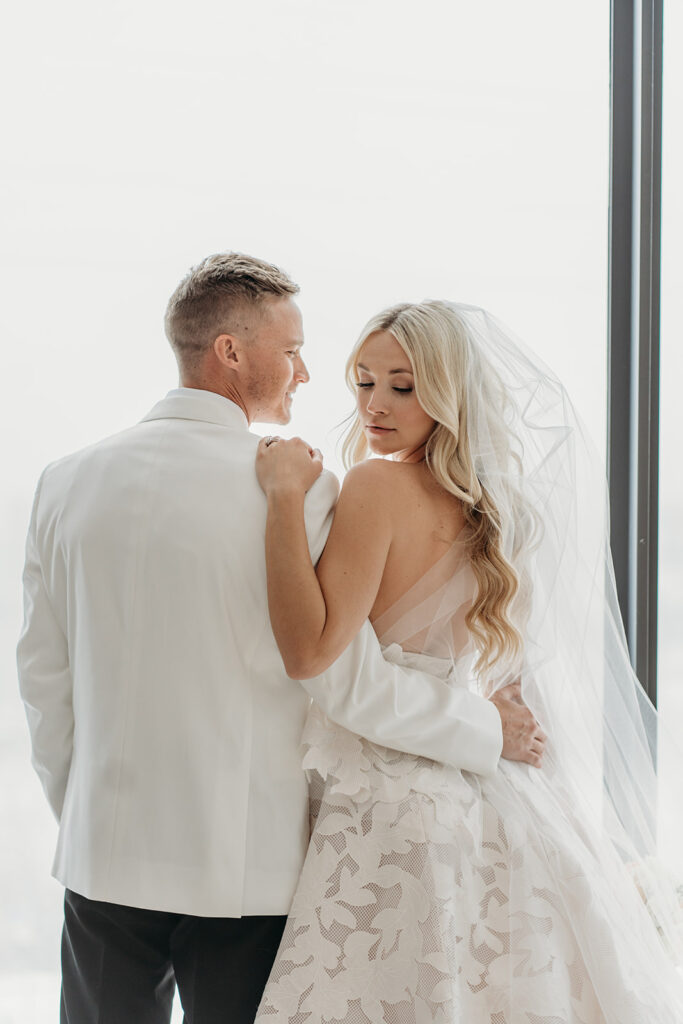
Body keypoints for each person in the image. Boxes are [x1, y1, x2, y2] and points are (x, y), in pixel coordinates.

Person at [16, 256, 542, 1024]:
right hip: (247, 868)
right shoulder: (301, 492)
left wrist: (90, 813)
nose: (303, 372)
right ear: (231, 351)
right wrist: (486, 729)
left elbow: (43, 679)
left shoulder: (65, 481)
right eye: (291, 349)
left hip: (103, 854)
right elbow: (346, 681)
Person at [254, 300, 683, 1022]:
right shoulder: (497, 503)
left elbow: (322, 654)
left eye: (402, 384)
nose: (375, 405)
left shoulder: (374, 485)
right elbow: (499, 664)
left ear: (449, 394)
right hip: (500, 792)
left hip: (385, 778)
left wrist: (280, 498)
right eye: (363, 381)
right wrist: (494, 721)